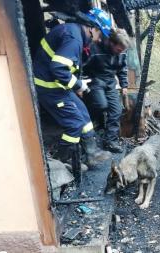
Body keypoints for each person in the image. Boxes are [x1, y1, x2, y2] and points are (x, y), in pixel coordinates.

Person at [33, 8, 112, 167]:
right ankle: (61, 162)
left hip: (58, 85)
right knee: (74, 124)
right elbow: (58, 68)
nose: (98, 40)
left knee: (83, 113)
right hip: (49, 88)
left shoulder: (75, 33)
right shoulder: (74, 38)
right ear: (92, 28)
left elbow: (67, 67)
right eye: (100, 35)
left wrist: (76, 85)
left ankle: (92, 153)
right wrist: (78, 85)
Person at [83, 28, 131, 153]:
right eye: (118, 49)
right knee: (101, 104)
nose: (120, 52)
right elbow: (82, 65)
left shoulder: (121, 52)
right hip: (94, 79)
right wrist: (79, 83)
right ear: (111, 43)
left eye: (122, 50)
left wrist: (124, 85)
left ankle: (111, 141)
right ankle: (91, 131)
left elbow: (122, 68)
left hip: (110, 81)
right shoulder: (94, 48)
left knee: (117, 110)